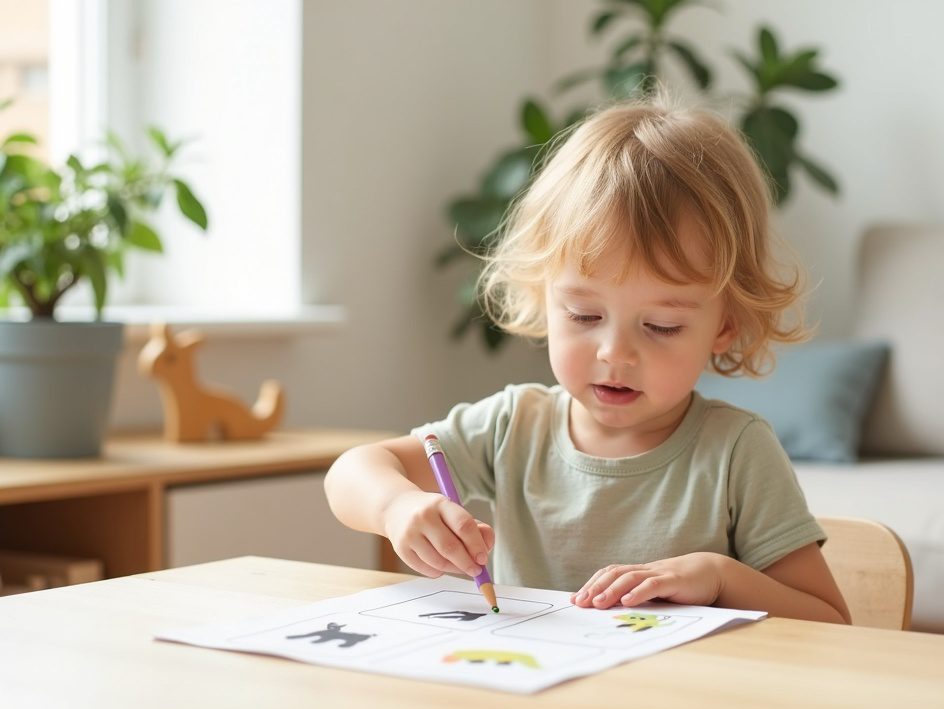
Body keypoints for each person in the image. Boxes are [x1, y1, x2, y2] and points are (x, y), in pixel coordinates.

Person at [325, 93, 851, 624]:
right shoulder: (514, 426)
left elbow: (829, 622)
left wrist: (720, 577)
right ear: (544, 295)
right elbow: (355, 470)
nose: (615, 353)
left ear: (725, 325)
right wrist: (396, 507)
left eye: (661, 326)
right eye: (582, 315)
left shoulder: (736, 452)